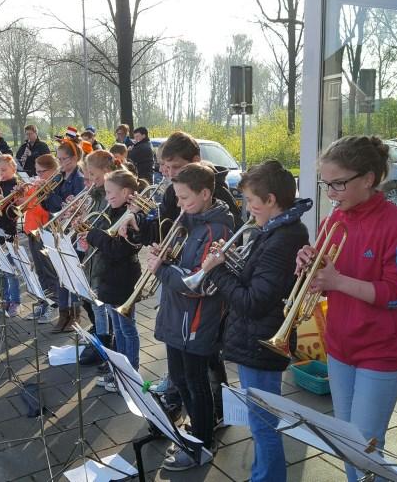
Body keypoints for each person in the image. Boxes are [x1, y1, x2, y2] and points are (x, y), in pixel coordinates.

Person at [296, 135, 397, 482]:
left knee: (366, 446)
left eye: (338, 184)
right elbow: (322, 276)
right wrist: (308, 264)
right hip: (340, 345)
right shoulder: (332, 223)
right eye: (326, 184)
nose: (331, 193)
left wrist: (337, 282)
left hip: (380, 350)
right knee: (345, 440)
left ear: (368, 178)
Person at [120, 131, 241, 424]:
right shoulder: (180, 191)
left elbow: (205, 268)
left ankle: (213, 415)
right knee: (188, 367)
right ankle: (189, 404)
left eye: (174, 167)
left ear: (195, 163)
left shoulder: (214, 201)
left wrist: (164, 267)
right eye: (165, 167)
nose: (168, 174)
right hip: (178, 286)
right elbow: (168, 228)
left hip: (199, 301)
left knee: (206, 363)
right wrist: (142, 231)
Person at [201, 160, 311, 482]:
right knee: (260, 419)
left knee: (263, 424)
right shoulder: (276, 231)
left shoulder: (283, 238)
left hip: (260, 343)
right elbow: (257, 283)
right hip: (254, 338)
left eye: (251, 201)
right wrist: (231, 264)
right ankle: (261, 475)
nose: (248, 208)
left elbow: (252, 302)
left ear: (272, 200)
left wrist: (217, 270)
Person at [149, 163, 234, 471]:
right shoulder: (191, 221)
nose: (180, 205)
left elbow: (203, 284)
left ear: (206, 193)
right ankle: (200, 426)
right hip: (176, 316)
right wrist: (165, 255)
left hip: (197, 321)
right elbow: (183, 267)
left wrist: (162, 268)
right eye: (177, 198)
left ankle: (202, 443)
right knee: (180, 379)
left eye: (185, 198)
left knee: (196, 383)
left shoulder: (219, 230)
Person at [82, 167, 145, 392]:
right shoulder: (116, 211)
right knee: (118, 329)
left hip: (123, 278)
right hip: (108, 277)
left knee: (127, 329)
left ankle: (131, 373)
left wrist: (92, 234)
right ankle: (120, 370)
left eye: (111, 193)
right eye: (106, 193)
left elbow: (118, 250)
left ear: (127, 192)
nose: (107, 197)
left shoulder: (132, 216)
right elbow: (106, 244)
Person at [75, 151, 124, 366]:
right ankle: (102, 343)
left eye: (92, 175)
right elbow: (94, 224)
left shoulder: (113, 195)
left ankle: (108, 347)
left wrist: (91, 232)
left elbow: (107, 229)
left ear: (106, 172)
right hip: (94, 258)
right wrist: (81, 226)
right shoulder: (96, 194)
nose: (90, 180)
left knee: (107, 310)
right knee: (96, 306)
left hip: (106, 263)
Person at [49, 137, 86, 333]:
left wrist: (50, 195)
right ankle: (63, 313)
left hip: (72, 232)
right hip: (60, 230)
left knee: (70, 273)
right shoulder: (61, 178)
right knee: (60, 273)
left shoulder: (78, 179)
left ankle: (74, 314)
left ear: (74, 158)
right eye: (59, 159)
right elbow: (53, 206)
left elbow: (71, 207)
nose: (61, 164)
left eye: (64, 159)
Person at [23, 153, 61, 323]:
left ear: (53, 170)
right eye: (36, 172)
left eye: (41, 172)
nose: (38, 175)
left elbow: (48, 211)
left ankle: (55, 306)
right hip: (31, 230)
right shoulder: (38, 185)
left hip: (45, 231)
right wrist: (22, 193)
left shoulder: (54, 186)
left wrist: (40, 192)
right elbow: (24, 205)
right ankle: (44, 302)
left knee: (49, 271)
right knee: (39, 271)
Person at [0, 155, 22, 315]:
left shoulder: (17, 186)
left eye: (4, 170)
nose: (0, 173)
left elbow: (14, 212)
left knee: (11, 270)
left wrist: (1, 199)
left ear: (13, 169)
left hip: (9, 231)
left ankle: (15, 301)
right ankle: (5, 300)